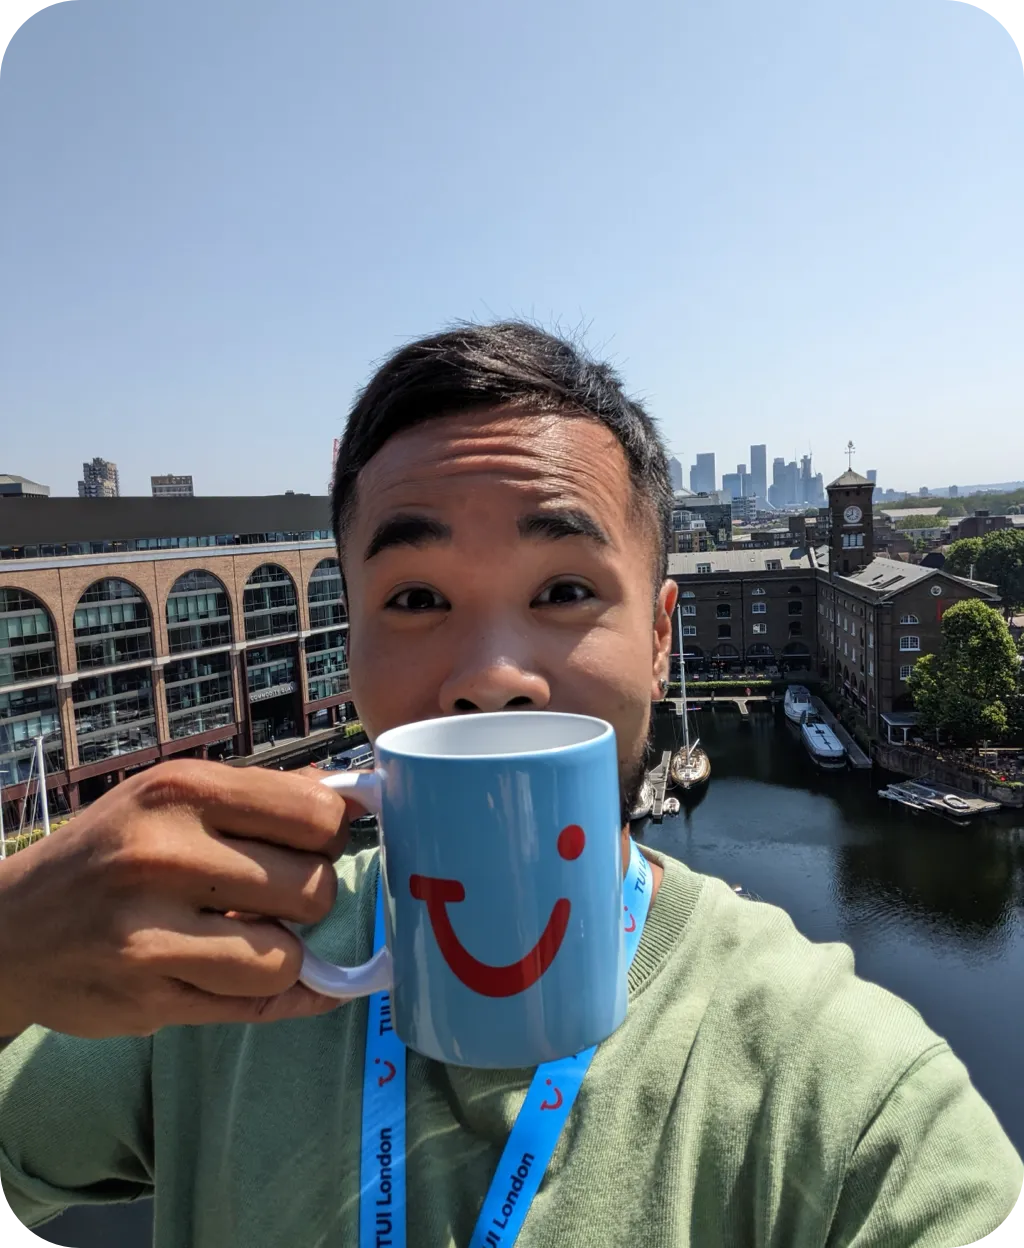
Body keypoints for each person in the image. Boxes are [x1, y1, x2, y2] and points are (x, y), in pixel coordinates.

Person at [1, 322, 1021, 1247]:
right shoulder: (202, 987)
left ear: (661, 638)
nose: (493, 674)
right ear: (346, 641)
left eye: (565, 590)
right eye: (414, 597)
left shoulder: (842, 1092)